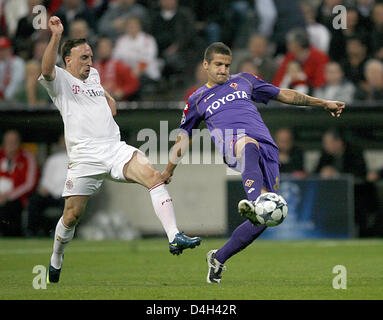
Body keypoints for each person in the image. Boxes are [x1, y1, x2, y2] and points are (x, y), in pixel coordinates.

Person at [161, 42, 345, 283]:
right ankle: (254, 199)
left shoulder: (245, 80)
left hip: (267, 148)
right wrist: (168, 170)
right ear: (206, 65)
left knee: (266, 218)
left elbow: (284, 94)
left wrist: (323, 103)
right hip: (235, 144)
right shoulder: (197, 99)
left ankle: (219, 258)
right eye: (218, 64)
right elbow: (184, 136)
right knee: (248, 145)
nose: (223, 69)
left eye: (227, 65)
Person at [39, 16, 201, 284]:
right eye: (83, 57)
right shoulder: (60, 81)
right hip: (85, 156)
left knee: (153, 176)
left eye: (90, 56)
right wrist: (55, 36)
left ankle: (174, 237)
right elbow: (46, 70)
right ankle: (56, 258)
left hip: (114, 148)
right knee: (72, 215)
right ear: (68, 61)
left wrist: (107, 98)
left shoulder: (95, 76)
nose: (89, 62)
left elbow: (106, 101)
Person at [26, 135, 68, 237]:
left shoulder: (80, 159)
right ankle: (33, 232)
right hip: (51, 194)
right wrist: (45, 189)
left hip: (68, 195)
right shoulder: (53, 159)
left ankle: (64, 234)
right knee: (35, 201)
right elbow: (46, 180)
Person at [0, 130, 39, 236]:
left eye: (14, 141)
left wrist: (8, 196)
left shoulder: (27, 157)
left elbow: (30, 183)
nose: (11, 145)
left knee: (10, 210)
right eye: (8, 141)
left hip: (18, 199)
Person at [93, 37, 140, 101]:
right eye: (101, 48)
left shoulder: (120, 66)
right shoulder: (92, 68)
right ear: (97, 50)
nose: (103, 50)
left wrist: (122, 91)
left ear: (111, 49)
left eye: (106, 47)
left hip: (117, 103)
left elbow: (133, 83)